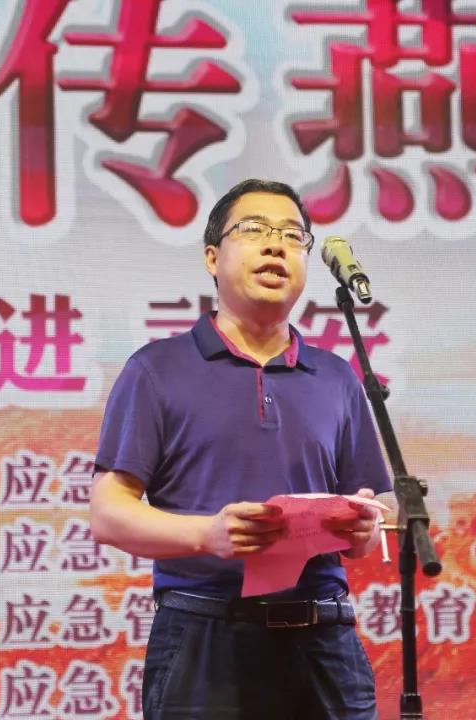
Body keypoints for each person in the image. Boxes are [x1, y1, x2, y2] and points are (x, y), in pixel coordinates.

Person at [91, 178, 392, 719]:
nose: (276, 245)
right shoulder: (157, 370)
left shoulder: (336, 377)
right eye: (254, 230)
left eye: (292, 236)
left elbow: (373, 516)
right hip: (205, 635)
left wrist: (364, 529)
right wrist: (206, 535)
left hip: (322, 637)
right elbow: (108, 514)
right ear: (212, 257)